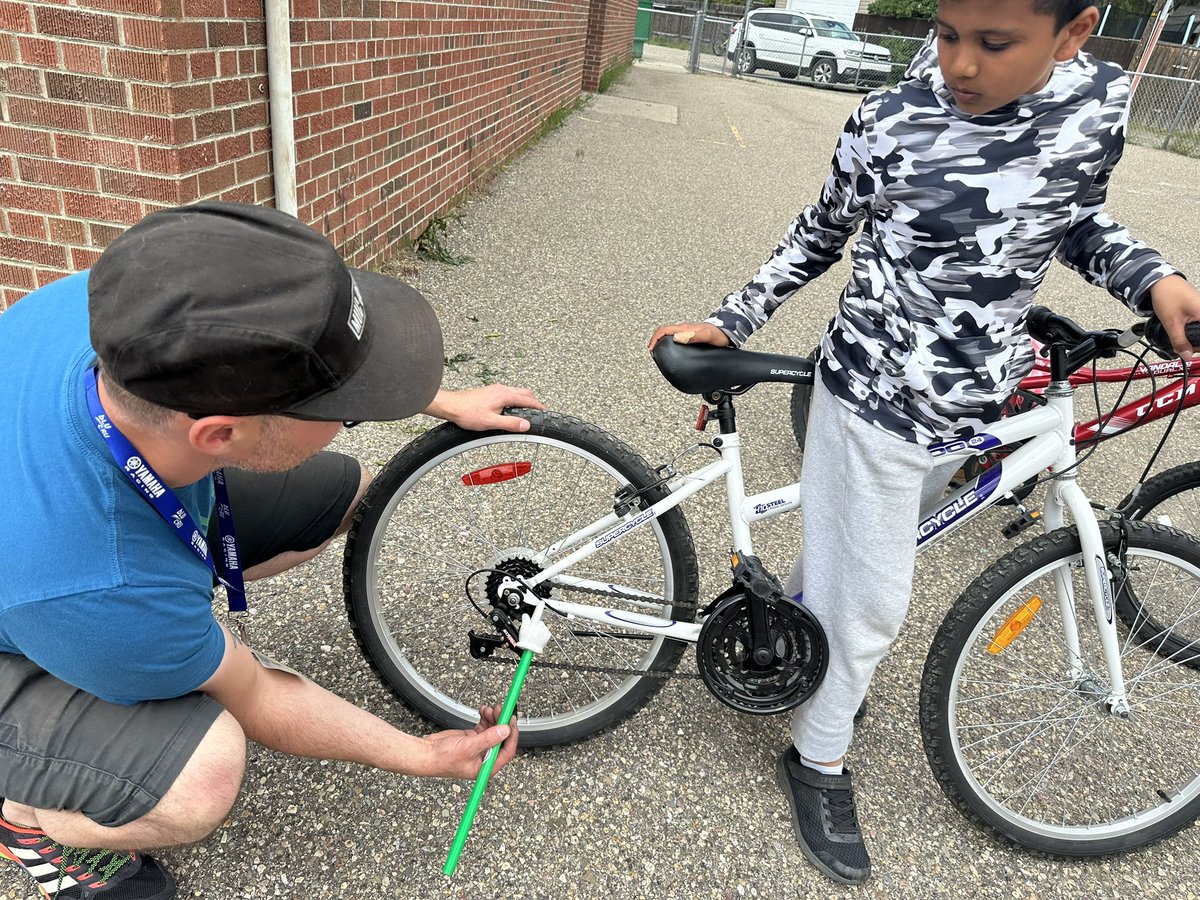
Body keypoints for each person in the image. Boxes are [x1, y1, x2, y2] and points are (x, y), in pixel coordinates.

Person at [650, 0, 1200, 885]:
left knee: (853, 567)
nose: (960, 65)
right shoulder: (891, 118)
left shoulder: (1097, 104)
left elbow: (1078, 218)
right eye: (946, 35)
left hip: (977, 400)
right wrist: (732, 316)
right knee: (873, 603)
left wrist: (1153, 277)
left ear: (1074, 33)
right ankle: (816, 759)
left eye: (993, 43)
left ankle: (791, 645)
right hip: (873, 398)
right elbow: (821, 229)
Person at [0, 202, 541, 899]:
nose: (354, 421)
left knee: (347, 493)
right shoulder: (102, 581)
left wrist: (444, 399)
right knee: (204, 775)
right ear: (220, 435)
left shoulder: (135, 310)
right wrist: (419, 754)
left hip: (84, 548)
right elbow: (254, 693)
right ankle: (31, 820)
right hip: (41, 607)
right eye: (345, 412)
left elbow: (301, 354)